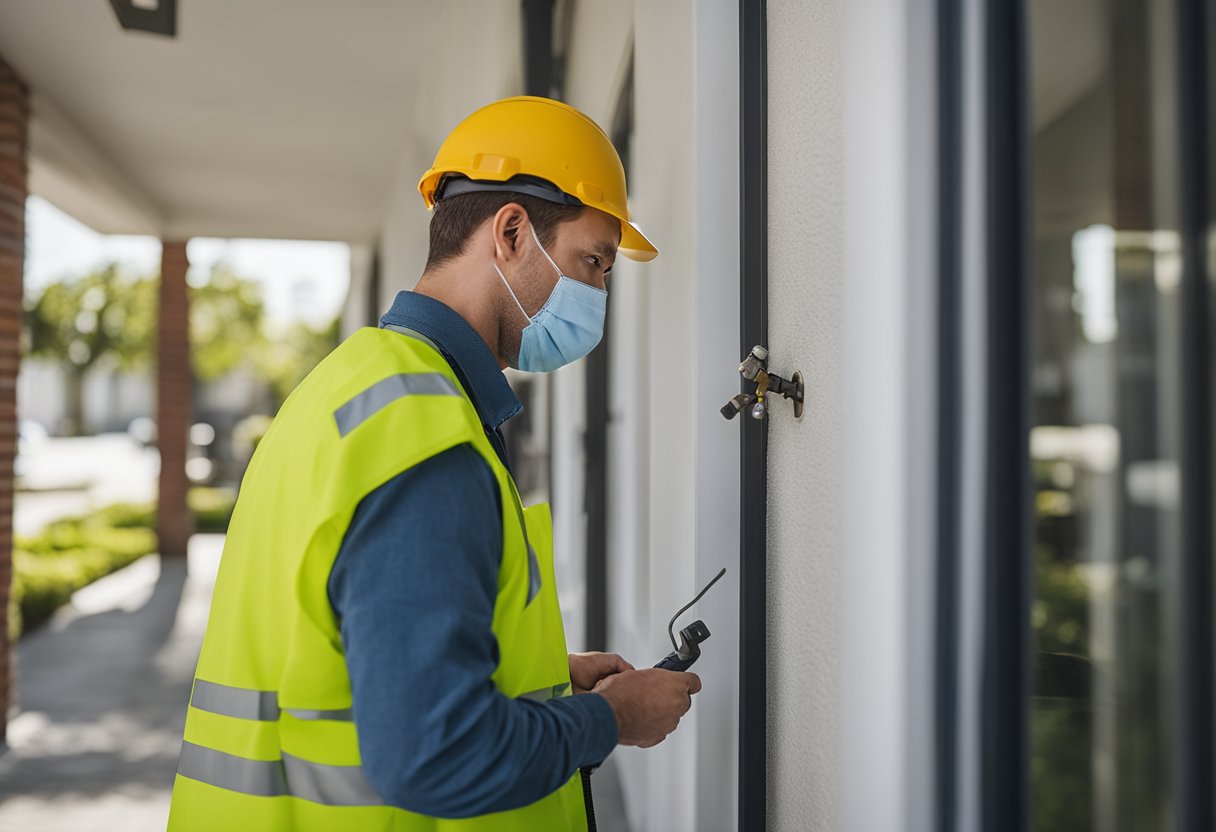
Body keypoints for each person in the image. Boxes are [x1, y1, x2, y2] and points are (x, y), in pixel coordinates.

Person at [167, 96, 702, 831]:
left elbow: (358, 647)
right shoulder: (424, 437)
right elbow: (438, 754)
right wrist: (608, 719)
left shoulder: (350, 385)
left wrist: (541, 679)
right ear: (512, 231)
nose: (599, 294)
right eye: (593, 262)